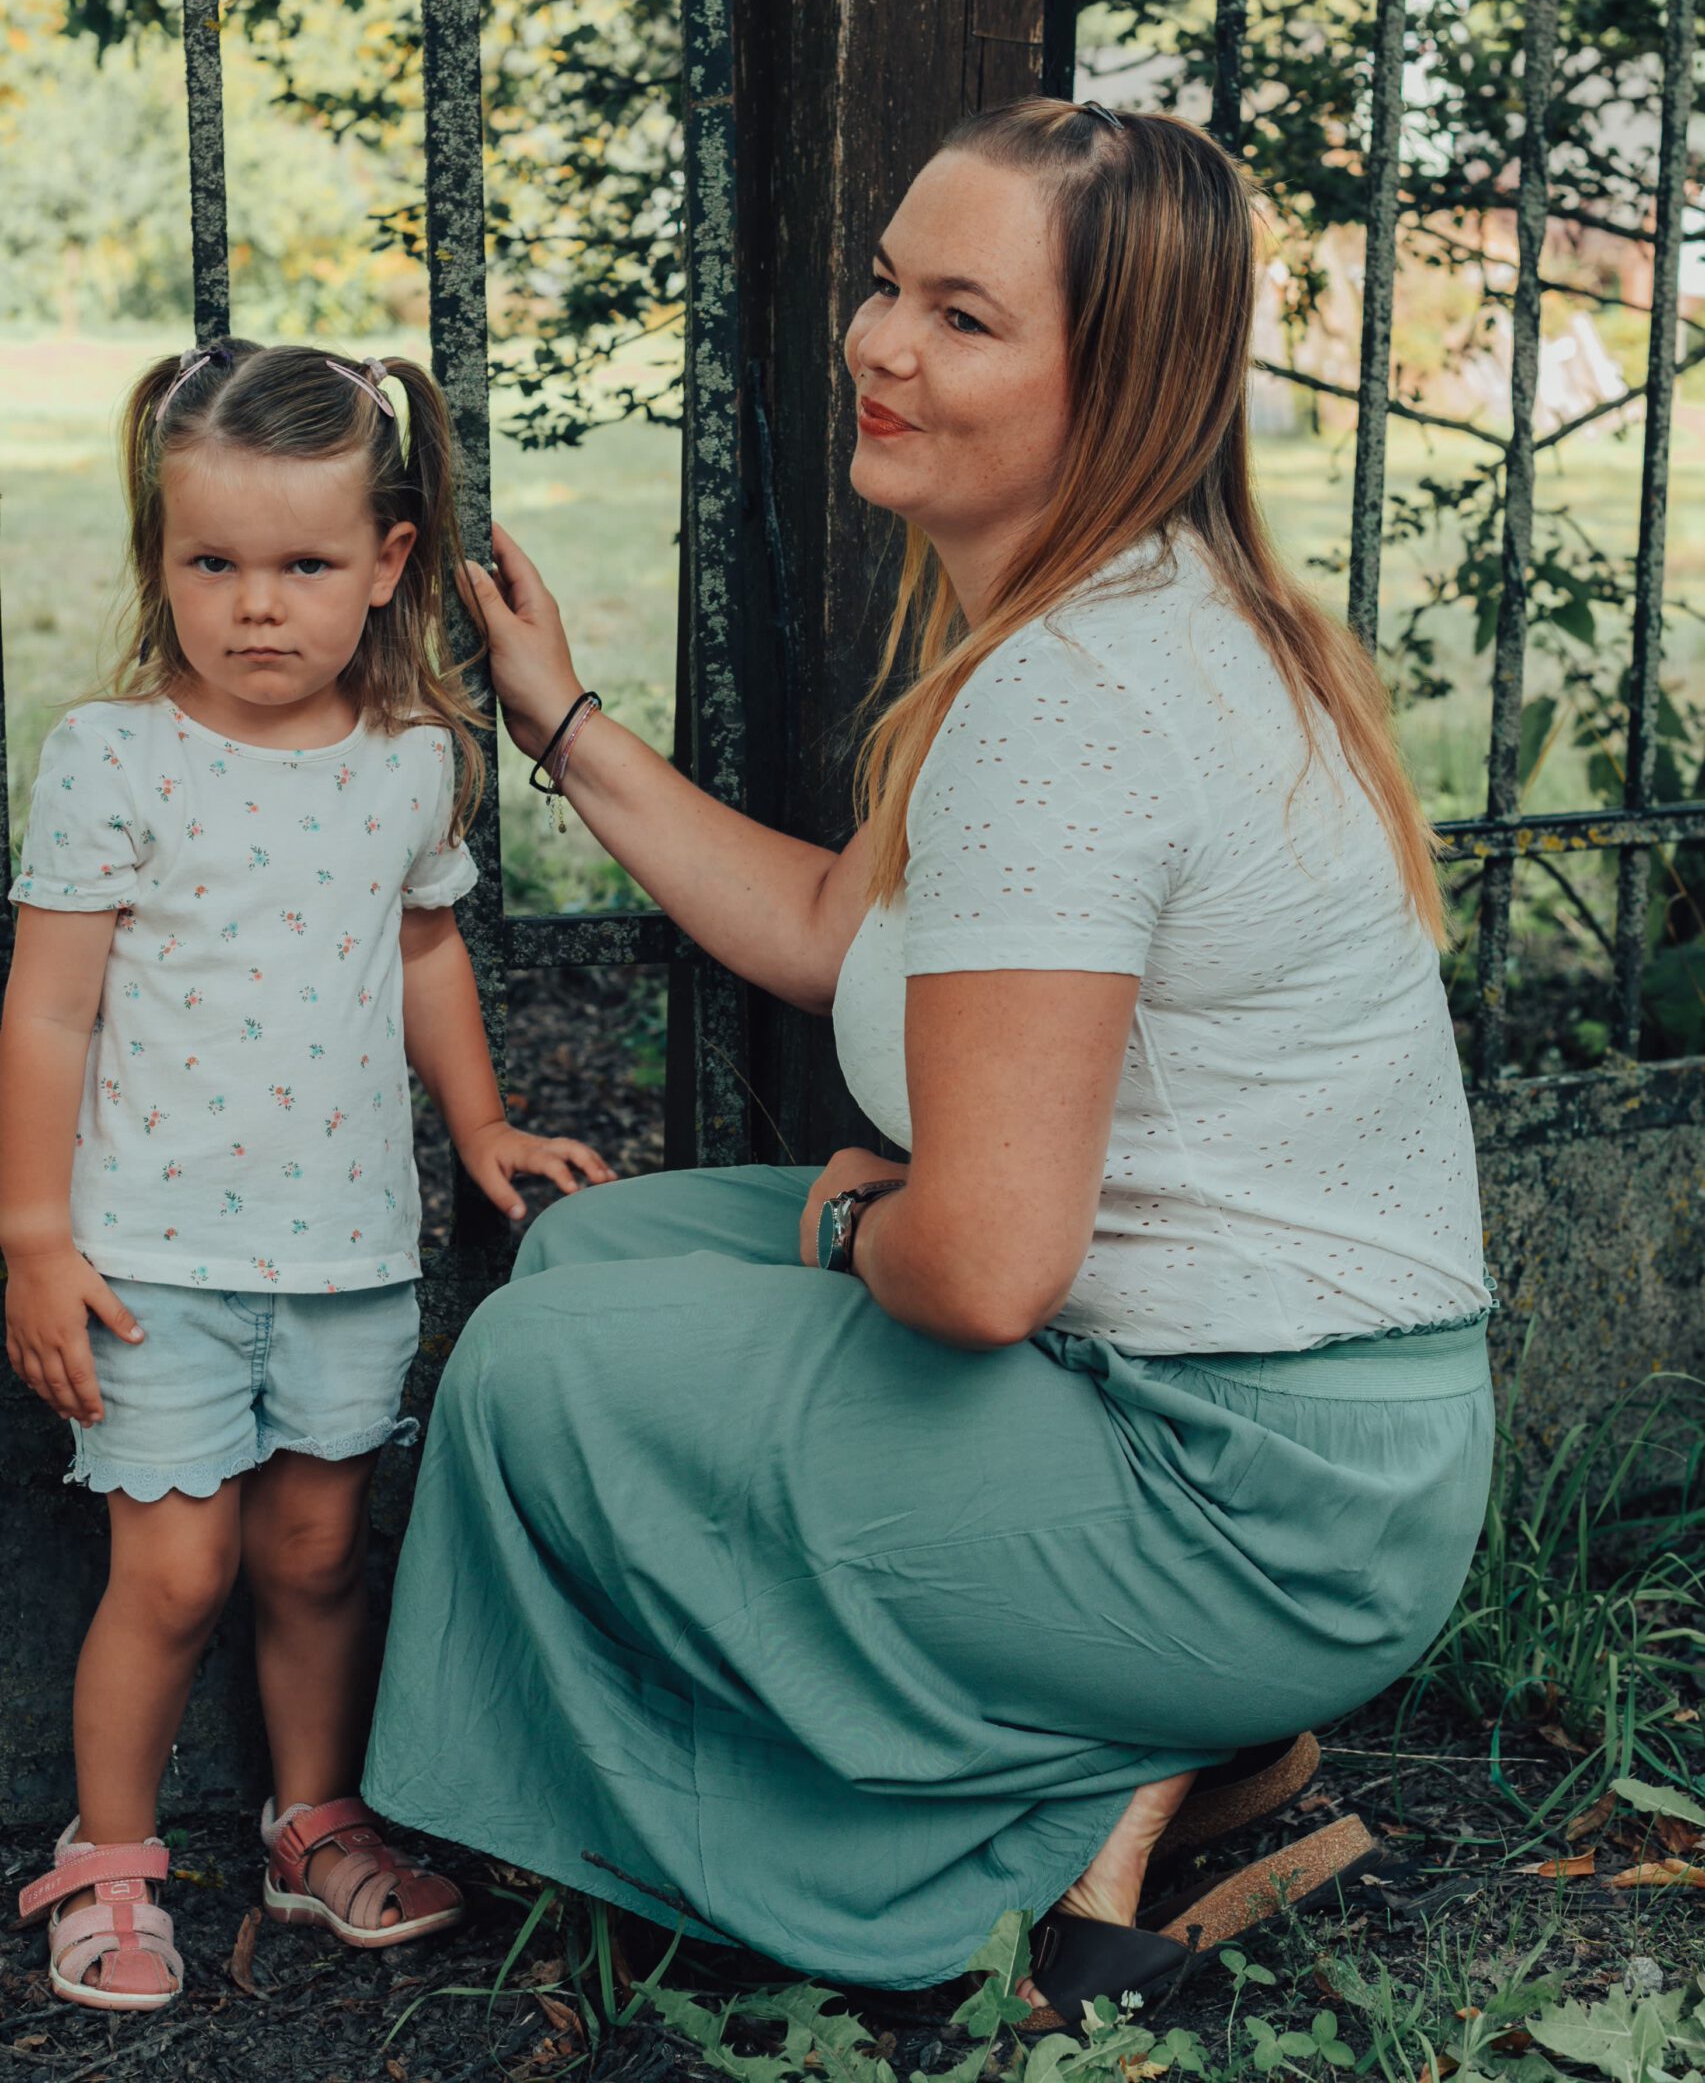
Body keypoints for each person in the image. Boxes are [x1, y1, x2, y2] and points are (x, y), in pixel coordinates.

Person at [364, 101, 1496, 2028]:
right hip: (1258, 1426)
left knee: (545, 1368)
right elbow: (839, 936)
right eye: (889, 286)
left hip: (1251, 1503)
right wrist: (558, 722)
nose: (880, 344)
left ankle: (1034, 1803)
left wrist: (867, 1227)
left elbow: (979, 1271)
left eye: (962, 316)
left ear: (1117, 379)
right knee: (595, 1262)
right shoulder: (1119, 616)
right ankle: (1131, 1736)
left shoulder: (1074, 702)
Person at [0, 339, 613, 2014]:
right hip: (151, 1259)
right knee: (176, 1571)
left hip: (346, 1251)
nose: (256, 607)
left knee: (318, 1557)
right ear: (160, 562)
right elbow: (47, 1010)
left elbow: (425, 957)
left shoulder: (408, 759)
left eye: (303, 565)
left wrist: (478, 1126)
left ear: (389, 562)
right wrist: (34, 1237)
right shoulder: (112, 756)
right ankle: (109, 1857)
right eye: (212, 563)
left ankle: (311, 1817)